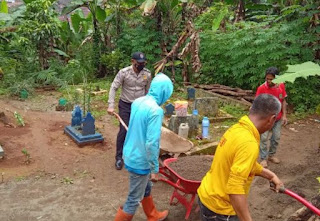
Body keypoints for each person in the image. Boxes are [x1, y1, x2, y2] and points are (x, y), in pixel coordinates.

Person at [197, 94, 284, 221]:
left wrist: (270, 175)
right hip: (221, 209)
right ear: (272, 119)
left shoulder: (237, 129)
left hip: (207, 194)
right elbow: (235, 189)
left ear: (251, 110)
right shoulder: (249, 143)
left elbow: (242, 163)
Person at [113, 73, 173, 221]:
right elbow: (151, 143)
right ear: (164, 92)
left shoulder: (138, 102)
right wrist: (154, 169)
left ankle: (153, 215)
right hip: (140, 159)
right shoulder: (155, 111)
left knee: (145, 187)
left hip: (130, 153)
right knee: (133, 199)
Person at [107, 52, 152, 170]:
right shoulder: (124, 73)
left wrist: (149, 106)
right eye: (139, 63)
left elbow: (148, 91)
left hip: (140, 106)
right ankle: (118, 157)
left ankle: (137, 156)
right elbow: (114, 87)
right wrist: (111, 105)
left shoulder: (147, 74)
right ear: (133, 61)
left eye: (143, 63)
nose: (141, 65)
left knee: (140, 131)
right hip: (126, 105)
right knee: (124, 130)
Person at [256, 67, 287, 168]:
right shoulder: (261, 88)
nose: (269, 81)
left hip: (277, 117)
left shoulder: (281, 86)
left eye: (271, 79)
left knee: (276, 138)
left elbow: (283, 101)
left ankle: (271, 155)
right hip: (265, 118)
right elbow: (257, 103)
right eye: (267, 79)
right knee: (263, 138)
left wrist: (284, 115)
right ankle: (263, 158)